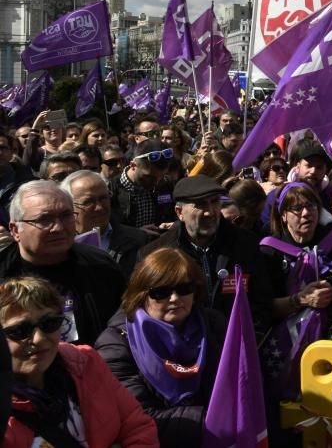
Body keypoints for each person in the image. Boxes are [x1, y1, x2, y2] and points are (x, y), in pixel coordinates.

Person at [1, 276, 157, 446]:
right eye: (19, 330)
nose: (39, 338)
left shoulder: (85, 361)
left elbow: (137, 427)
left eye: (49, 323)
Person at [95, 248, 226, 444]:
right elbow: (138, 417)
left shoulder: (214, 325)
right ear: (141, 295)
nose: (174, 299)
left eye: (184, 289)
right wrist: (210, 419)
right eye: (161, 292)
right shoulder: (116, 343)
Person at [139, 175, 274, 340]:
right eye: (200, 205)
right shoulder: (155, 254)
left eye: (215, 202)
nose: (210, 212)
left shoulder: (245, 244)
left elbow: (262, 301)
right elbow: (141, 309)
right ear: (179, 212)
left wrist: (249, 337)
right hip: (182, 354)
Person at [0, 181, 125, 346]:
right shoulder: (4, 272)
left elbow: (123, 324)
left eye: (66, 215)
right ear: (15, 230)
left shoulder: (101, 265)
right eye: (44, 219)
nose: (58, 227)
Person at [259, 182, 332, 395]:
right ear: (283, 215)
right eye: (297, 208)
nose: (306, 213)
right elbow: (262, 307)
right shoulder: (268, 251)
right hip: (284, 348)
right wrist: (301, 300)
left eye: (311, 206)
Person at [61, 170, 148, 278]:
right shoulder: (59, 245)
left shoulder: (137, 239)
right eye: (88, 202)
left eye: (103, 198)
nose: (99, 207)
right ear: (69, 206)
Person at [110, 140, 173, 233]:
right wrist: (136, 233)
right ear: (133, 165)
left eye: (162, 176)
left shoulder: (166, 183)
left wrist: (173, 224)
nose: (156, 182)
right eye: (149, 177)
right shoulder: (110, 189)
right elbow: (108, 230)